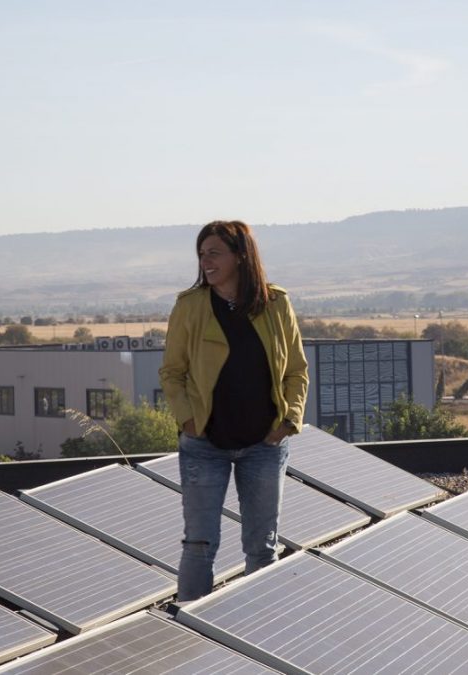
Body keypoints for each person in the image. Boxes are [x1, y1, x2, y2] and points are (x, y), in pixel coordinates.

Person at [159, 220, 308, 602]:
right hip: (205, 446)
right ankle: (189, 626)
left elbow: (296, 370)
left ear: (241, 256)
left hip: (264, 445)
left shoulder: (276, 304)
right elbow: (172, 374)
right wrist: (189, 421)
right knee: (199, 545)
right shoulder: (189, 307)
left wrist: (289, 421)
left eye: (214, 253)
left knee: (262, 547)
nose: (205, 261)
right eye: (202, 254)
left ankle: (258, 628)